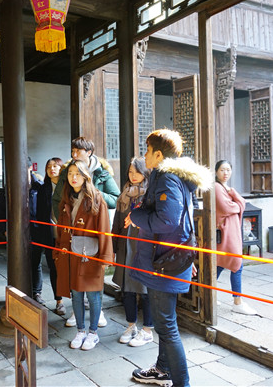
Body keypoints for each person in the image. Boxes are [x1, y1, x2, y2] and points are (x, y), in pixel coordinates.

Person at [128, 129, 212, 386]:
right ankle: (163, 369)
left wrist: (136, 216)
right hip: (168, 259)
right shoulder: (171, 177)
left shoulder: (167, 178)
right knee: (166, 322)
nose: (144, 156)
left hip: (163, 262)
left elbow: (167, 221)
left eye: (147, 151)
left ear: (158, 154)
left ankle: (181, 383)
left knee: (166, 326)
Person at [52, 136, 120, 327]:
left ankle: (97, 315)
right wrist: (63, 219)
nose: (74, 154)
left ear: (89, 152)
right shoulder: (67, 172)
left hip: (93, 227)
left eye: (78, 151)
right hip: (72, 229)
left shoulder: (102, 173)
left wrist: (91, 193)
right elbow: (58, 199)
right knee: (74, 278)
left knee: (93, 279)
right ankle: (77, 313)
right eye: (72, 151)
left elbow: (115, 198)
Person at [53, 160, 114, 351]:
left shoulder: (96, 198)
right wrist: (58, 251)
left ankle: (93, 333)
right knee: (76, 294)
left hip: (90, 254)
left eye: (78, 173)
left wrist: (105, 257)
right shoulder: (66, 198)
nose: (74, 177)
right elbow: (61, 229)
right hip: (71, 253)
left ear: (86, 176)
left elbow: (104, 229)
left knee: (94, 295)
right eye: (71, 173)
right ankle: (80, 331)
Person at [111, 157, 154, 347]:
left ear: (145, 173)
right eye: (130, 172)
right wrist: (113, 247)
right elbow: (116, 224)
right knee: (126, 289)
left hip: (143, 247)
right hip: (124, 247)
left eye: (137, 172)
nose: (133, 175)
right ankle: (131, 326)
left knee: (145, 290)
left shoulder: (150, 195)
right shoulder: (124, 195)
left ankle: (147, 330)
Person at [0, 157, 43, 301]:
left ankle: (36, 292)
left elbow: (44, 210)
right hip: (16, 232)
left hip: (35, 231)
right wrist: (4, 230)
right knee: (17, 263)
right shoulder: (8, 189)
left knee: (36, 263)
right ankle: (18, 292)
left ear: (30, 168)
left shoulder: (38, 187)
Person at [215, 160, 257, 315]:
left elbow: (242, 203)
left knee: (219, 264)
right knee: (237, 264)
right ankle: (237, 302)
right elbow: (227, 207)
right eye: (222, 170)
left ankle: (209, 294)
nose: (225, 173)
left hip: (231, 231)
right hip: (226, 233)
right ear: (216, 172)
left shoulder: (227, 189)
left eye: (228, 170)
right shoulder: (216, 187)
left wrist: (233, 193)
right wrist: (237, 204)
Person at [35, 157, 66, 314]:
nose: (52, 169)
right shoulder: (43, 189)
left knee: (70, 268)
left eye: (55, 166)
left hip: (67, 235)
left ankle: (79, 298)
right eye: (49, 167)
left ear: (61, 168)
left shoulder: (68, 186)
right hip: (50, 235)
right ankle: (59, 301)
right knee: (54, 268)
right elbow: (40, 214)